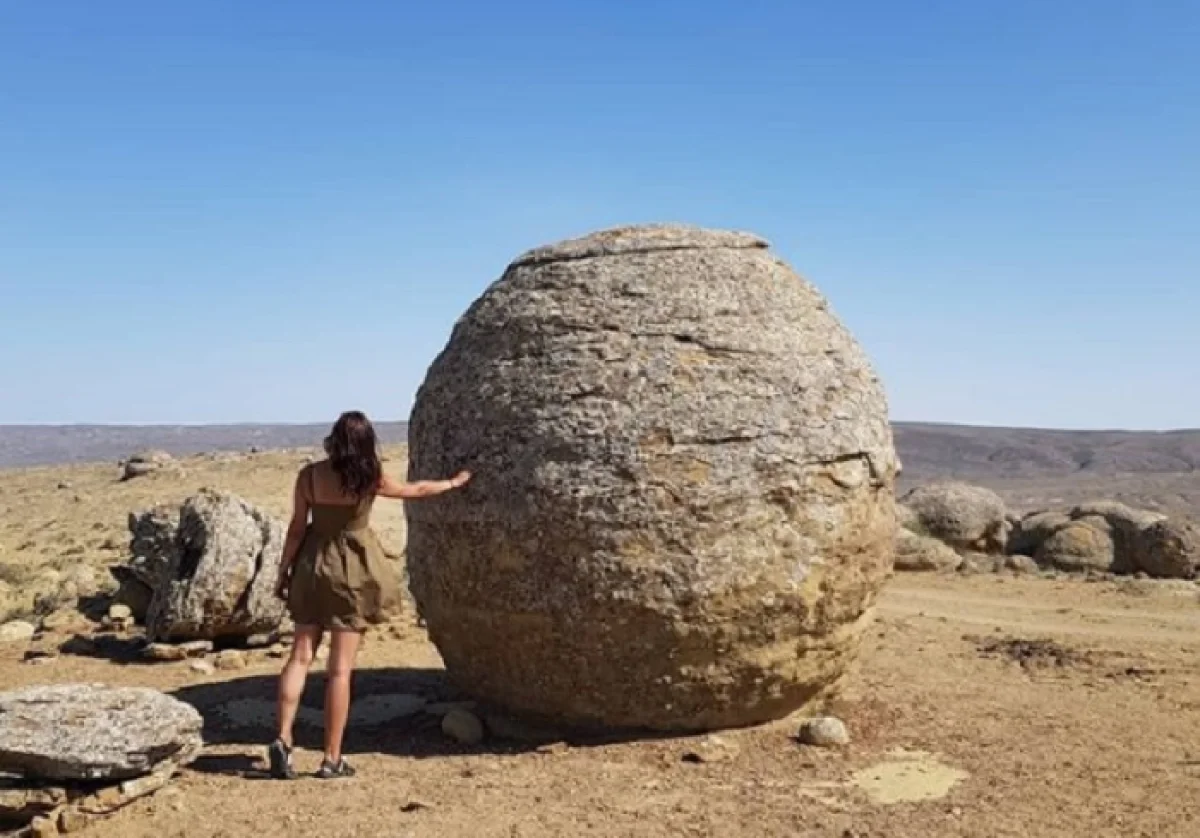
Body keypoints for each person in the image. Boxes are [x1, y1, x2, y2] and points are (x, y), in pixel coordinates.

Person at [269, 410, 470, 779]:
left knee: (299, 657)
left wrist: (283, 572)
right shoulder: (368, 477)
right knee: (339, 672)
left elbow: (297, 529)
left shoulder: (309, 476)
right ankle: (331, 758)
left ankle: (282, 739)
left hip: (311, 568)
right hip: (351, 574)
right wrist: (453, 483)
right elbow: (416, 490)